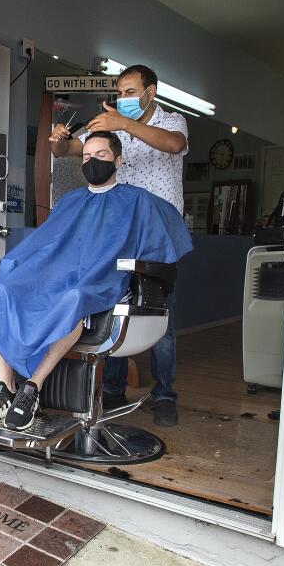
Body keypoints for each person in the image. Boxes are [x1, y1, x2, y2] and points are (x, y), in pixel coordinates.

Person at [0, 132, 192, 432]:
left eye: (100, 155)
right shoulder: (71, 201)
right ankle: (6, 388)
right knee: (3, 291)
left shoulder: (137, 200)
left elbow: (159, 247)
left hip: (101, 280)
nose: (92, 162)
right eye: (87, 157)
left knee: (74, 298)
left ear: (118, 160)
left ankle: (32, 388)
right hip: (58, 277)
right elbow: (50, 244)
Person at [50, 64, 188, 427]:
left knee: (159, 314)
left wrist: (123, 125)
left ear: (150, 92)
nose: (124, 99)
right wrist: (61, 142)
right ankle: (111, 390)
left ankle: (164, 395)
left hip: (158, 237)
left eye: (130, 91)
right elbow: (72, 149)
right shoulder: (110, 126)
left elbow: (174, 146)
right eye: (121, 92)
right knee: (110, 304)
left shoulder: (172, 122)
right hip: (117, 232)